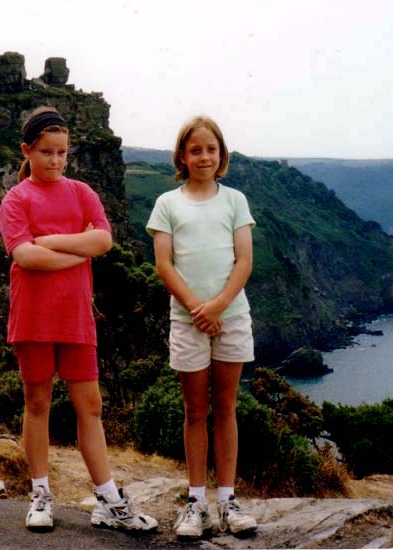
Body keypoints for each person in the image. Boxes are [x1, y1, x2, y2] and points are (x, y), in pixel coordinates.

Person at [0, 106, 158, 533]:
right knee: (37, 404)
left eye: (62, 153)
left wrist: (53, 241)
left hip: (75, 319)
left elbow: (103, 240)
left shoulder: (82, 193)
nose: (54, 161)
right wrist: (77, 251)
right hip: (32, 318)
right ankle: (40, 494)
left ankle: (107, 498)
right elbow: (24, 255)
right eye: (46, 152)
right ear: (27, 151)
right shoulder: (16, 198)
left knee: (91, 407)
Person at [146, 115, 257, 538]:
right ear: (182, 156)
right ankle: (196, 502)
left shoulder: (235, 201)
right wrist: (198, 309)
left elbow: (244, 260)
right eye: (195, 150)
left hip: (231, 317)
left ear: (221, 154)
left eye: (211, 149)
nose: (204, 156)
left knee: (226, 408)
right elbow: (163, 264)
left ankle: (228, 502)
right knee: (195, 410)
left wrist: (220, 306)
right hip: (188, 320)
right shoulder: (167, 204)